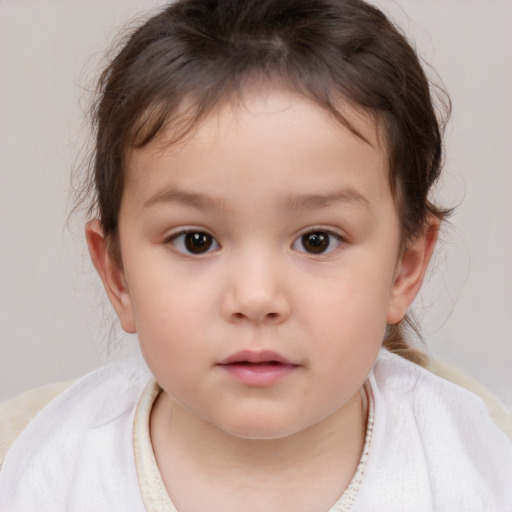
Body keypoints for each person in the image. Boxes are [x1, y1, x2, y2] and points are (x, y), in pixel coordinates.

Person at [0, 0, 511, 510]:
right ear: (118, 275)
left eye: (317, 240)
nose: (256, 297)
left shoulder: (468, 469)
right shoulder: (53, 470)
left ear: (405, 267)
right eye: (195, 240)